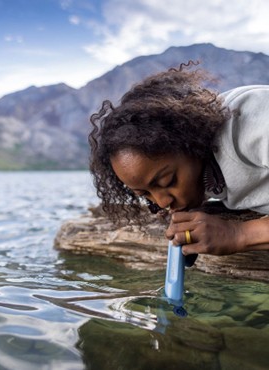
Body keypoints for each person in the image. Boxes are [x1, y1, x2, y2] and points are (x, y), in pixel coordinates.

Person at [88, 61, 269, 256]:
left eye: (168, 181)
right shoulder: (202, 171)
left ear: (190, 141)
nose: (162, 201)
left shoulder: (253, 122)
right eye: (145, 194)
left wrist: (239, 234)